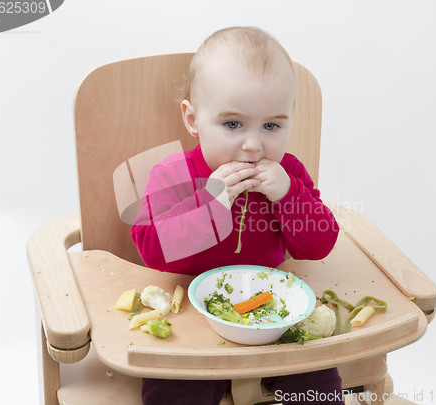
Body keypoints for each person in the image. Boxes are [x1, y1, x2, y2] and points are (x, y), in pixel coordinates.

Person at [131, 26, 343, 405]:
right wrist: (210, 204)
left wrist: (289, 194)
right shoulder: (173, 174)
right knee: (171, 392)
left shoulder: (288, 173)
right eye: (233, 124)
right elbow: (149, 247)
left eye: (272, 126)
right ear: (193, 120)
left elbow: (321, 242)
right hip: (190, 322)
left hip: (274, 316)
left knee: (320, 386)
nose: (252, 144)